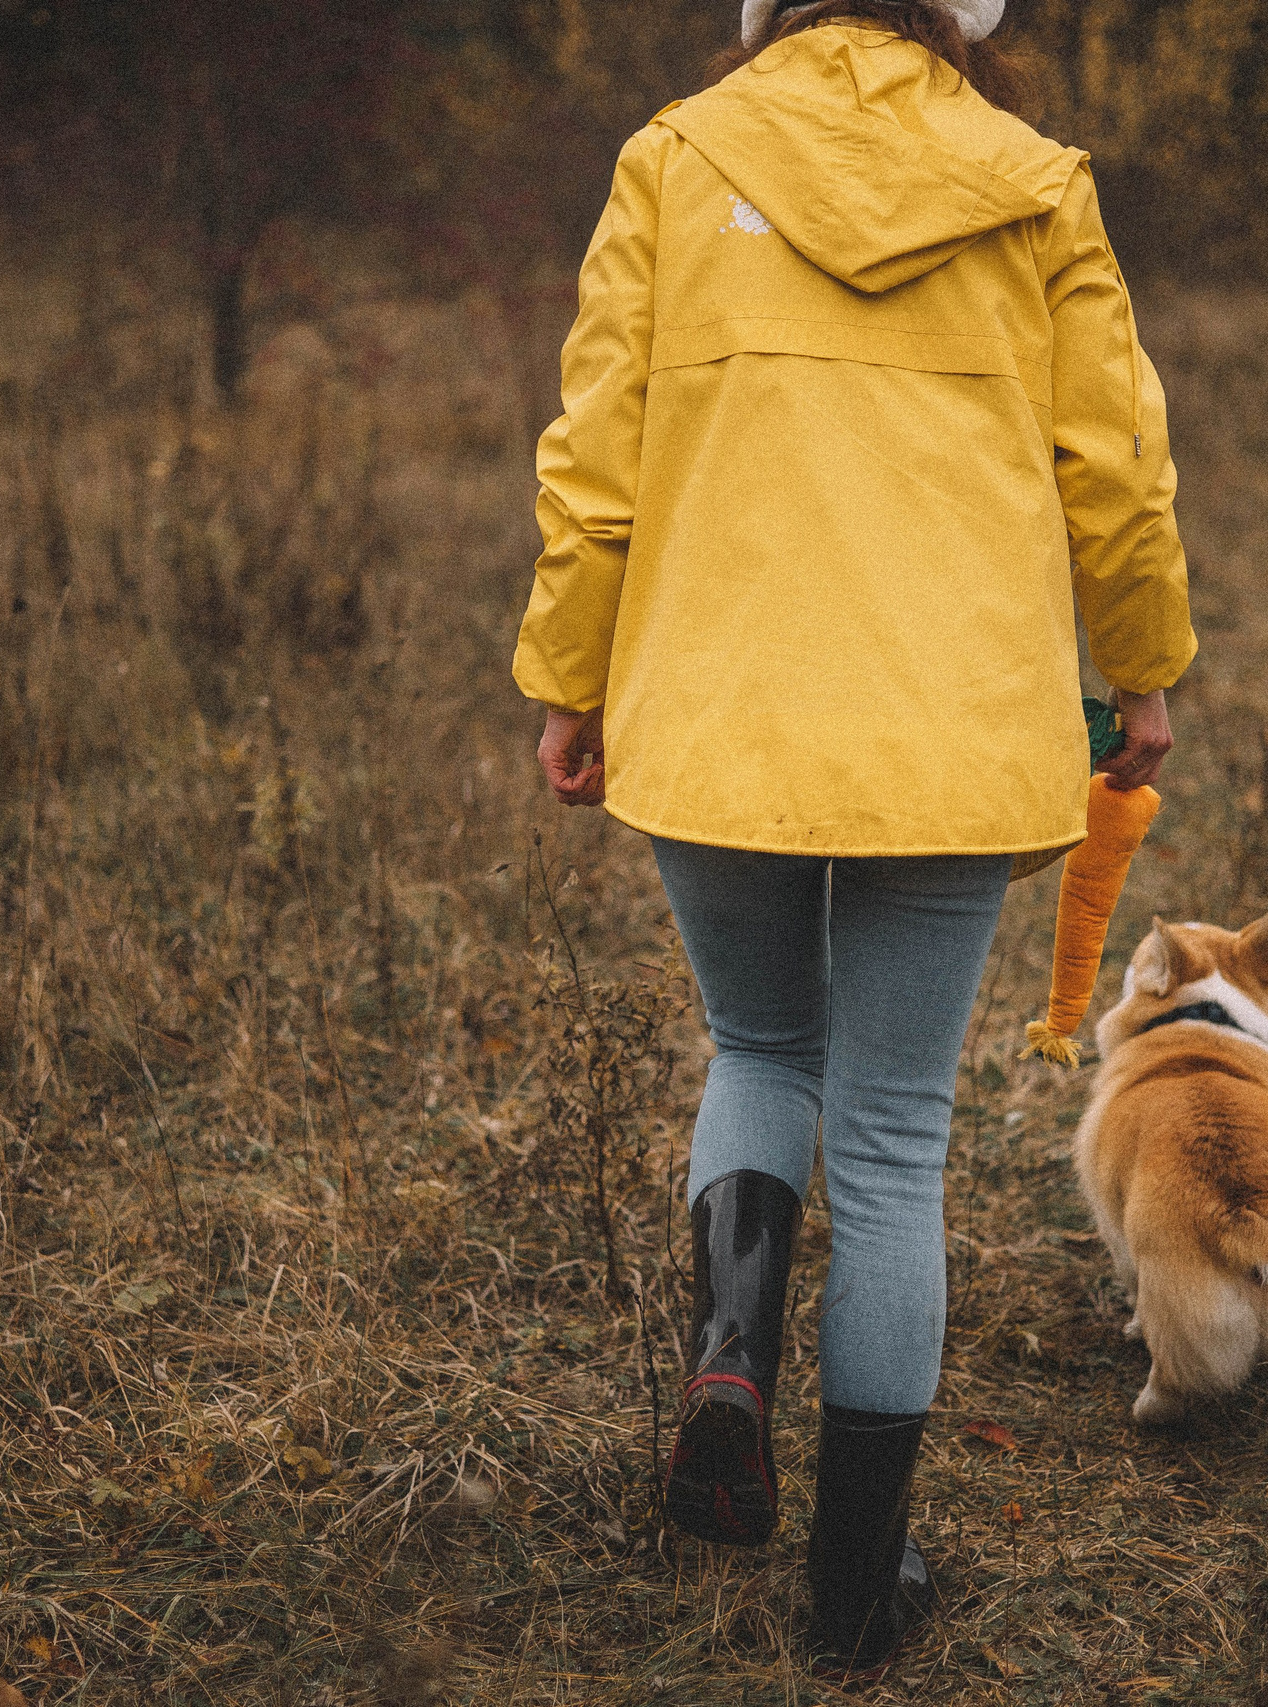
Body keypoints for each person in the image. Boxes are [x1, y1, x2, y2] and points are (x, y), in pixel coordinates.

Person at [511, 0, 1195, 1677]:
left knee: (758, 1041)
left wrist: (568, 673)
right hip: (951, 730)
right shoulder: (1037, 183)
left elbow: (598, 456)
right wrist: (1147, 666)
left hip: (722, 705)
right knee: (892, 1141)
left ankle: (730, 1363)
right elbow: (1112, 463)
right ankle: (853, 1593)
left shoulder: (675, 157)